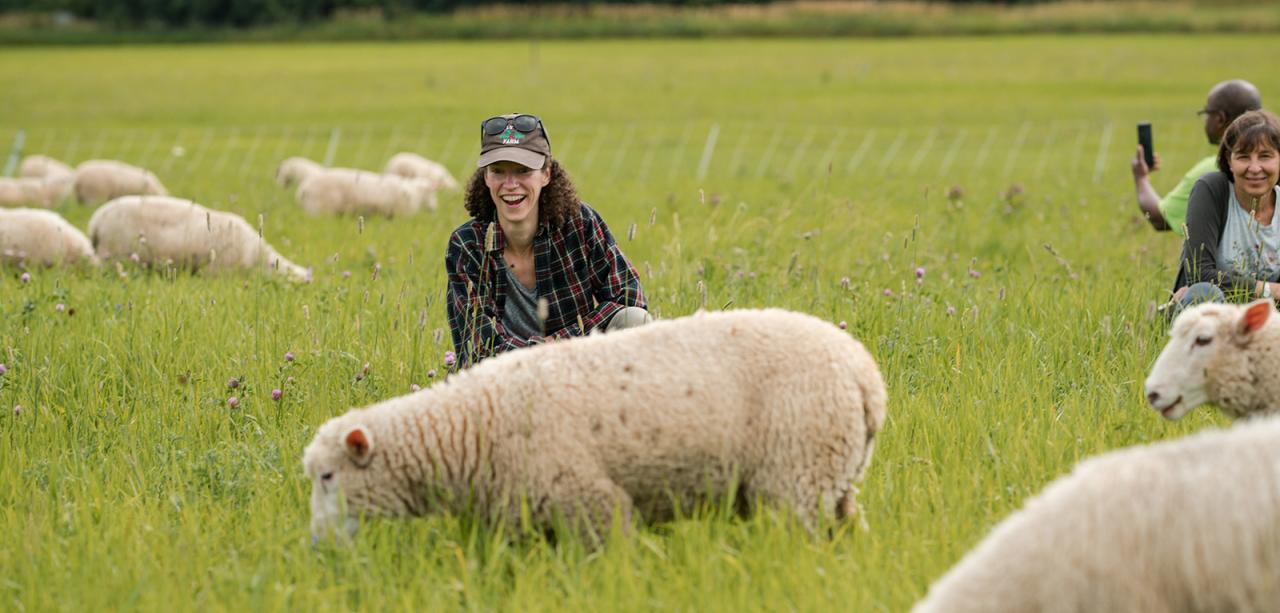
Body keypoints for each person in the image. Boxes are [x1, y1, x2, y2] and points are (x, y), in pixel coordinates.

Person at [446, 113, 650, 369]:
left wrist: (564, 343)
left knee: (636, 320)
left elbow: (629, 297)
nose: (511, 184)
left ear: (546, 173)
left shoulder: (579, 222)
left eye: (523, 171)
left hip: (580, 362)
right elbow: (474, 346)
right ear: (486, 177)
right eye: (498, 171)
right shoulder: (467, 245)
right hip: (507, 376)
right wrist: (541, 354)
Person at [1168, 109, 1280, 312]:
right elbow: (1199, 274)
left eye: (1265, 156)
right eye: (1243, 157)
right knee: (1205, 293)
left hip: (1267, 320)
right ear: (1229, 160)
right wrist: (1268, 290)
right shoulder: (1213, 190)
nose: (1254, 168)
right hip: (1211, 317)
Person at [1132, 79, 1262, 233]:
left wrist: (1140, 178)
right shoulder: (1272, 164)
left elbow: (1159, 219)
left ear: (1220, 118)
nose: (1205, 120)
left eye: (1206, 114)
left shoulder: (1212, 170)